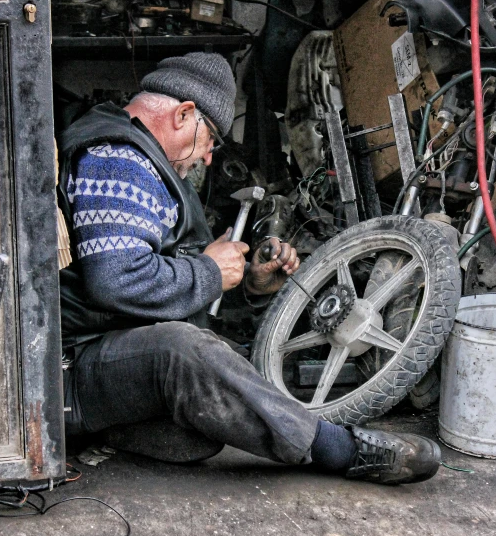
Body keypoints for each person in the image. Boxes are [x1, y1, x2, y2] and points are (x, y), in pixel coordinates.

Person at [57, 52, 441, 484]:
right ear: (184, 114)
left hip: (102, 353)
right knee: (183, 352)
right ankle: (340, 450)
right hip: (70, 368)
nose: (206, 158)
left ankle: (110, 428)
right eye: (210, 141)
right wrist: (208, 271)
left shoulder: (143, 161)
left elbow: (156, 275)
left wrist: (247, 284)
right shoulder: (119, 159)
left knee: (206, 426)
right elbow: (115, 281)